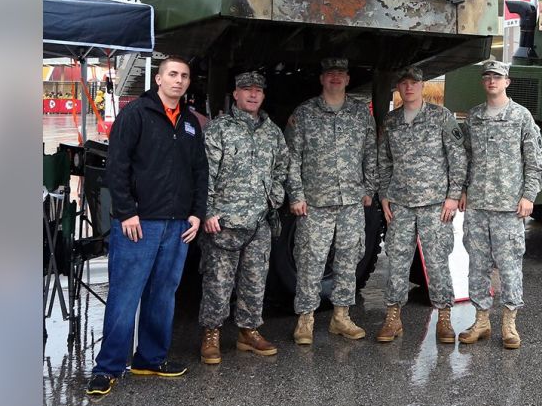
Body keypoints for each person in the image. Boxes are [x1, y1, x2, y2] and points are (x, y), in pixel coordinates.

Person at [87, 56, 205, 397]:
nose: (178, 80)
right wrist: (126, 212)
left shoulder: (190, 123)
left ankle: (149, 359)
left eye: (184, 76)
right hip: (140, 224)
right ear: (158, 79)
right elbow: (117, 166)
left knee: (162, 295)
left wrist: (196, 213)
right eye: (172, 74)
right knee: (125, 296)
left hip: (179, 225)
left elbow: (199, 170)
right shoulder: (136, 114)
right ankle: (107, 368)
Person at [198, 71, 300, 365]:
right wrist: (208, 211)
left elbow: (282, 166)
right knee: (218, 282)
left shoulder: (272, 132)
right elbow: (205, 174)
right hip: (224, 222)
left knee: (255, 280)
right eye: (247, 90)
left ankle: (248, 331)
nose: (253, 95)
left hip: (259, 221)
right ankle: (212, 333)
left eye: (258, 90)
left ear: (263, 96)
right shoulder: (219, 130)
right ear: (236, 94)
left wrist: (275, 197)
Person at [284, 57, 377, 345]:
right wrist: (296, 196)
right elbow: (291, 159)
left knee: (349, 259)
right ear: (322, 79)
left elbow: (370, 152)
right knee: (311, 260)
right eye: (330, 73)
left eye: (341, 73)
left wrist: (369, 189)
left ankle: (341, 316)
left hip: (351, 201)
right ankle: (305, 319)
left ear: (348, 79)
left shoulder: (361, 113)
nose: (335, 78)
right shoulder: (305, 113)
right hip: (315, 203)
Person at [374, 65, 467, 345]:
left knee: (438, 262)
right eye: (403, 83)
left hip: (434, 204)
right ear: (399, 88)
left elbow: (457, 158)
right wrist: (383, 194)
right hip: (400, 204)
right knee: (397, 262)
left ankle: (444, 317)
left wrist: (453, 195)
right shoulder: (391, 122)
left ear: (423, 85)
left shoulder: (441, 117)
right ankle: (393, 317)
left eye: (414, 82)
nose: (409, 87)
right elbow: (384, 161)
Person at [457, 60, 542, 349]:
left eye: (497, 76)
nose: (492, 81)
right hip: (478, 206)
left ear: (507, 82)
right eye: (488, 77)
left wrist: (528, 196)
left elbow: (534, 162)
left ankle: (509, 323)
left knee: (509, 267)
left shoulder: (521, 116)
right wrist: (463, 190)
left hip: (509, 207)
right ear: (483, 83)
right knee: (477, 266)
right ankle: (481, 320)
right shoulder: (475, 117)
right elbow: (465, 157)